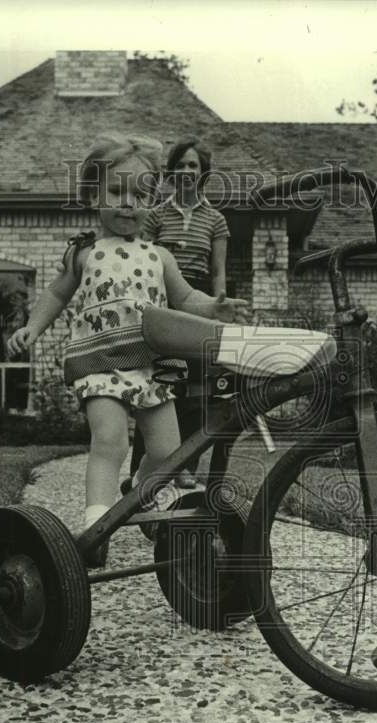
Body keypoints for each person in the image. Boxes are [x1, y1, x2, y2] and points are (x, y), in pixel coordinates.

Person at [7, 133, 250, 566]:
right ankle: (97, 526)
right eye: (116, 192)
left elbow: (186, 299)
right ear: (93, 195)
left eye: (140, 195)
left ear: (153, 199)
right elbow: (57, 294)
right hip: (100, 363)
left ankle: (139, 490)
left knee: (170, 451)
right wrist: (32, 326)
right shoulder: (83, 253)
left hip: (152, 366)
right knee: (110, 441)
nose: (127, 203)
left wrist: (216, 306)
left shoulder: (160, 256)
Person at [128, 138, 229, 490]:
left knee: (200, 390)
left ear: (203, 174)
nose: (187, 171)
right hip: (163, 299)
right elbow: (146, 262)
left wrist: (218, 311)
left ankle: (184, 465)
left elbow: (218, 273)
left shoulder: (215, 219)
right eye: (182, 166)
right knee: (161, 384)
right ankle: (140, 470)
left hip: (198, 301)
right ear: (171, 173)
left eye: (194, 166)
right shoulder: (155, 215)